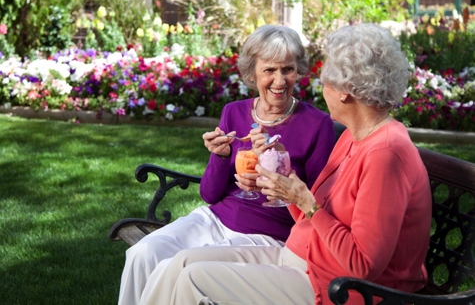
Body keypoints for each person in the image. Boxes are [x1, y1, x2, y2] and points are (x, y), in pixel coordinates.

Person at [140, 23, 433, 305]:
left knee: (193, 278)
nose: (321, 88)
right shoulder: (355, 137)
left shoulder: (385, 154)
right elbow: (307, 208)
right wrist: (281, 172)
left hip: (333, 286)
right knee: (180, 264)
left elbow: (362, 265)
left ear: (346, 90)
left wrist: (308, 204)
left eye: (326, 80)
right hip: (302, 259)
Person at [118, 24, 336, 305]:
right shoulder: (233, 113)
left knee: (181, 267)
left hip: (266, 235)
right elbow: (209, 195)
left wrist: (276, 176)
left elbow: (317, 204)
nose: (280, 80)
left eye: (288, 69)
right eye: (269, 70)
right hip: (215, 219)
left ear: (299, 70)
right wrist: (221, 158)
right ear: (252, 72)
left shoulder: (316, 124)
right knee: (142, 254)